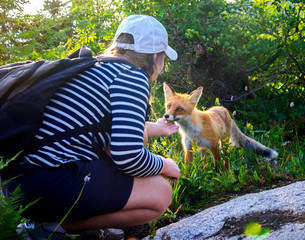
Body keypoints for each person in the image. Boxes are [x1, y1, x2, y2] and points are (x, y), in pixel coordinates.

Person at [1, 14, 180, 238]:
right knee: (160, 193)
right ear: (155, 56)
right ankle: (52, 228)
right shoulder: (132, 76)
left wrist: (156, 129)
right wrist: (165, 164)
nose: (161, 66)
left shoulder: (92, 67)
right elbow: (128, 156)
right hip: (51, 180)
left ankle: (55, 224)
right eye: (163, 58)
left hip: (17, 184)